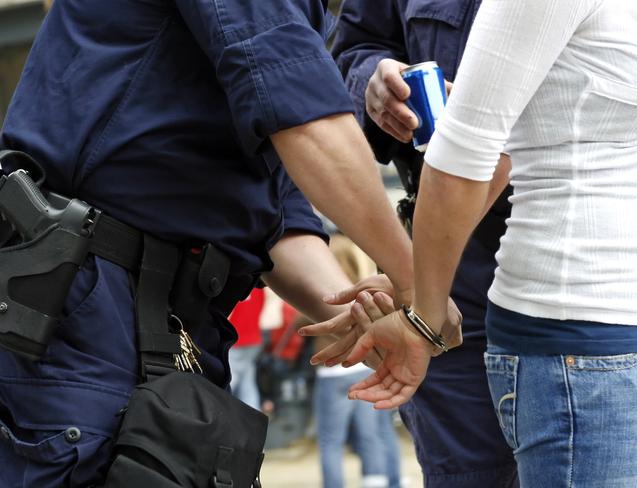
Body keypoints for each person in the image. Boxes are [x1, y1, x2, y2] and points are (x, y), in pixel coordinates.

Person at [0, 1, 416, 486]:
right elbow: (305, 121)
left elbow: (277, 219)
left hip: (174, 327)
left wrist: (361, 312)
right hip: (85, 305)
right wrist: (419, 287)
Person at [307, 0, 637, 486]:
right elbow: (471, 153)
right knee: (469, 472)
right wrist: (423, 297)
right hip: (518, 286)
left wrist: (418, 293)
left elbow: (494, 152)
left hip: (598, 304)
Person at [330, 1, 517, 486]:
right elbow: (355, 46)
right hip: (455, 273)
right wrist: (373, 82)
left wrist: (418, 291)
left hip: (583, 254)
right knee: (467, 472)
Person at [313, 233, 400, 488]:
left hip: (332, 372)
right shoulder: (367, 297)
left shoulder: (321, 296)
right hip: (362, 368)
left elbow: (305, 323)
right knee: (370, 435)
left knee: (331, 441)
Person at [228, 288, 265, 410]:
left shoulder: (235, 285)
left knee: (230, 381)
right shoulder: (257, 288)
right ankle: (254, 416)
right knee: (247, 382)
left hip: (236, 339)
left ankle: (220, 412)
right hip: (254, 338)